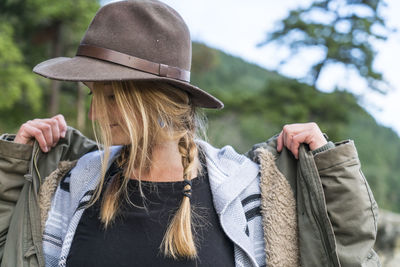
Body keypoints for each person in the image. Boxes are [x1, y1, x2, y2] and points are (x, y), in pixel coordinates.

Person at [0, 0, 379, 266]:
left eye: (111, 97)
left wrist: (329, 170)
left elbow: (352, 256)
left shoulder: (252, 193)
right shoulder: (69, 185)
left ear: (156, 101)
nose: (96, 113)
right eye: (93, 97)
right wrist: (15, 165)